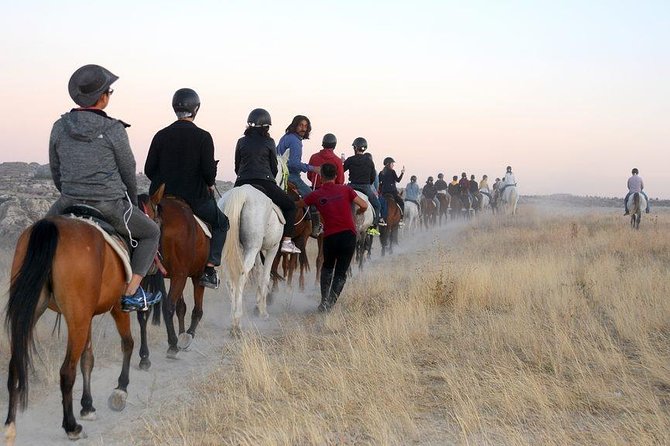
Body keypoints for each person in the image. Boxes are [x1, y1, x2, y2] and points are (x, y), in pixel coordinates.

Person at [48, 64, 161, 312]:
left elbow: (55, 169)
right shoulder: (113, 129)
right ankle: (132, 293)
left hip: (67, 202)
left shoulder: (59, 126)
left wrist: (68, 191)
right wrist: (132, 201)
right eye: (110, 91)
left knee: (38, 236)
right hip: (108, 205)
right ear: (102, 97)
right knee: (151, 232)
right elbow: (128, 170)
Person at [144, 88, 229, 289]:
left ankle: (140, 266)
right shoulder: (203, 137)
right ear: (196, 109)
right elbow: (209, 173)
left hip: (161, 199)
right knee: (222, 223)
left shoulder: (161, 135)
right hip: (195, 199)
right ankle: (209, 268)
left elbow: (149, 169)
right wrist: (208, 181)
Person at [232, 108, 302, 253]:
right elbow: (274, 168)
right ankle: (287, 241)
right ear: (267, 126)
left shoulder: (240, 141)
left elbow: (237, 166)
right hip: (264, 181)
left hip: (241, 182)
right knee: (290, 206)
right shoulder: (269, 141)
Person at [304, 163, 368, 312]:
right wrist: (359, 213)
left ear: (321, 176)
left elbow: (300, 204)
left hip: (330, 237)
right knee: (341, 273)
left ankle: (323, 300)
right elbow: (364, 205)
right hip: (348, 236)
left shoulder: (316, 194)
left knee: (327, 268)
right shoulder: (346, 189)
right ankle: (330, 304)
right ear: (336, 176)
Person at [276, 115, 321, 237]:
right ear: (295, 125)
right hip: (291, 175)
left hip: (279, 174)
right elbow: (294, 164)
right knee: (312, 196)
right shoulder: (295, 141)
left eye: (306, 126)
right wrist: (313, 168)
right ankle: (316, 227)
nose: (303, 128)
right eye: (301, 125)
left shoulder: (285, 137)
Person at [343, 137, 382, 234]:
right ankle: (373, 227)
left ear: (355, 148)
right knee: (377, 205)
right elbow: (373, 177)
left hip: (351, 187)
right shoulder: (369, 161)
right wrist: (367, 182)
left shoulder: (350, 160)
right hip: (365, 187)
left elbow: (341, 171)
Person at [378, 157, 405, 222]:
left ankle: (380, 218)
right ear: (388, 164)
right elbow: (398, 180)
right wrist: (402, 173)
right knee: (401, 203)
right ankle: (401, 218)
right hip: (393, 192)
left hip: (384, 193)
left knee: (379, 204)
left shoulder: (381, 173)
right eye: (392, 163)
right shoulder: (392, 171)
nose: (393, 165)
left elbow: (379, 184)